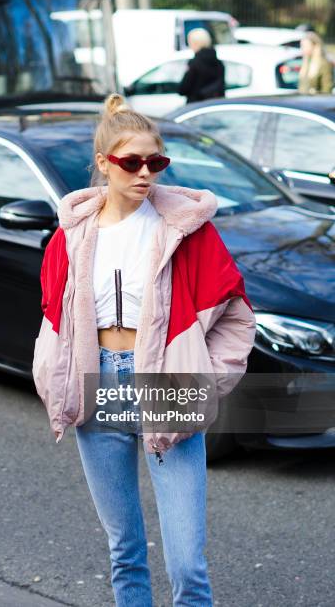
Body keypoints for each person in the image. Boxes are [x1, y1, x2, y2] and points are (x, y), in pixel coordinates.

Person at [32, 92, 256, 606]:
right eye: (131, 162)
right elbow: (52, 319)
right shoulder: (72, 236)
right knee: (124, 549)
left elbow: (238, 317)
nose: (144, 173)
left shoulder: (184, 232)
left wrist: (205, 379)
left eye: (156, 162)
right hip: (99, 383)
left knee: (187, 563)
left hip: (167, 385)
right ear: (103, 165)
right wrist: (54, 375)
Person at [178, 28, 225, 103]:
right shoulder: (219, 63)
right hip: (213, 105)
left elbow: (183, 89)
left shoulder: (194, 63)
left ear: (195, 43)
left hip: (195, 106)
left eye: (190, 42)